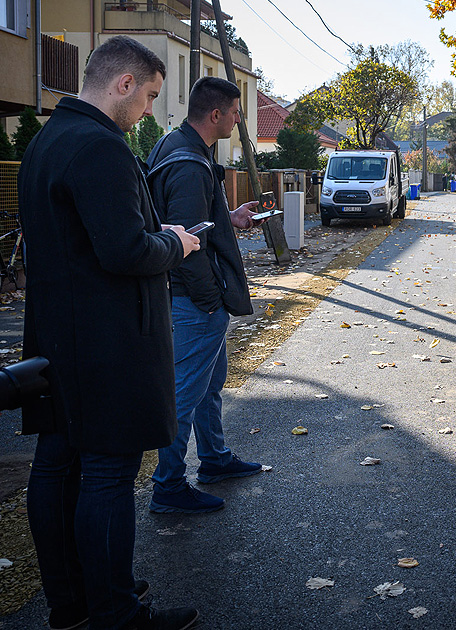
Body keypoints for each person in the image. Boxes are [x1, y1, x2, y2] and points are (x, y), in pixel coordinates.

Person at [19, 35, 202, 629]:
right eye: (149, 95)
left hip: (57, 334)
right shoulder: (100, 146)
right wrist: (173, 241)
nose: (148, 110)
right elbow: (123, 250)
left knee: (57, 466)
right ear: (123, 84)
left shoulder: (49, 139)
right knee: (105, 474)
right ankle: (116, 612)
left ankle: (75, 599)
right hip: (108, 342)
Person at [144, 76, 264, 514]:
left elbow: (184, 220)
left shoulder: (173, 145)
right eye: (235, 112)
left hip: (186, 297)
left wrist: (227, 216)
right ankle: (168, 486)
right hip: (192, 301)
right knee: (185, 393)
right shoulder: (190, 164)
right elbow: (184, 244)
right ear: (216, 115)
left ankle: (213, 459)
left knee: (210, 384)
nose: (238, 119)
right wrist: (210, 300)